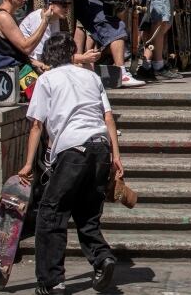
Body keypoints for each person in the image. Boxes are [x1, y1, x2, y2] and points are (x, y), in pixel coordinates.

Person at [17, 32, 122, 293]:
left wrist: (29, 163)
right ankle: (102, 258)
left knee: (51, 215)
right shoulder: (91, 76)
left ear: (48, 58)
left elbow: (37, 125)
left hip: (73, 150)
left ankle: (52, 281)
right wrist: (116, 156)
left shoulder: (46, 79)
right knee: (87, 214)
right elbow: (108, 118)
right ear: (71, 53)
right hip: (100, 148)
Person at [19, 0, 101, 71]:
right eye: (63, 4)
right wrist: (82, 58)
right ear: (51, 5)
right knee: (82, 69)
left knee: (86, 67)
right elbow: (46, 57)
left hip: (47, 62)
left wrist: (84, 57)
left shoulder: (57, 19)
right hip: (34, 65)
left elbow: (61, 53)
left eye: (68, 4)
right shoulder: (38, 20)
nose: (67, 8)